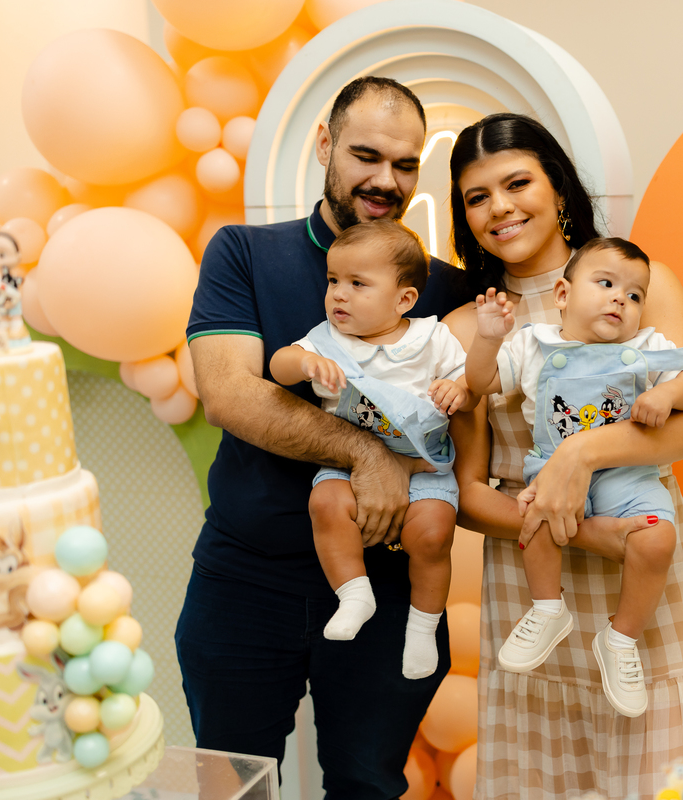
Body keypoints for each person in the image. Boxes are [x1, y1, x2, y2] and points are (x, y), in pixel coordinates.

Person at [175, 76, 470, 799]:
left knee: (369, 784)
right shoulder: (243, 252)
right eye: (366, 156)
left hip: (389, 585)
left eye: (405, 165)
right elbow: (230, 395)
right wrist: (364, 452)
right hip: (245, 579)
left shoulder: (440, 290)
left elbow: (474, 414)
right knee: (232, 786)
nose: (385, 180)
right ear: (325, 144)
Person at [443, 113, 683, 799]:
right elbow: (468, 495)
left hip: (642, 562)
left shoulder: (637, 283)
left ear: (559, 188)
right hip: (532, 580)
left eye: (517, 184)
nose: (499, 208)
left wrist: (581, 455)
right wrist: (582, 530)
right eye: (477, 197)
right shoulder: (469, 328)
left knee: (659, 775)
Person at [463, 237, 683, 719]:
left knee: (658, 538)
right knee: (536, 515)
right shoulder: (534, 343)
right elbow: (481, 382)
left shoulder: (645, 346)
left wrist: (668, 395)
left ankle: (621, 639)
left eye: (634, 295)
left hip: (627, 474)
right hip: (554, 469)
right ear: (563, 294)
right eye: (606, 284)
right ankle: (547, 609)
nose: (620, 299)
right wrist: (488, 339)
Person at [269, 219, 474, 680]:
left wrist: (457, 387)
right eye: (333, 280)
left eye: (357, 284)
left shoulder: (432, 338)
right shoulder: (327, 340)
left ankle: (423, 628)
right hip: (347, 464)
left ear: (404, 299)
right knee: (325, 504)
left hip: (425, 463)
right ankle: (354, 594)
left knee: (433, 535)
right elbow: (279, 365)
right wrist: (304, 362)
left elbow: (469, 380)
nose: (338, 294)